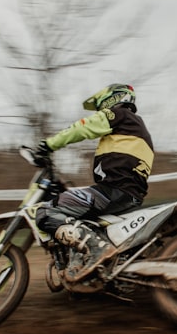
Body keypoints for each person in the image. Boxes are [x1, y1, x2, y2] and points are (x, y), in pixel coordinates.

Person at [33, 83, 154, 281]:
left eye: (101, 106)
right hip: (123, 193)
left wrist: (48, 144)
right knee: (69, 203)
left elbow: (82, 128)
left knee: (45, 212)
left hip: (113, 191)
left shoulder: (119, 115)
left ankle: (96, 248)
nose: (100, 111)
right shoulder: (133, 128)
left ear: (113, 99)